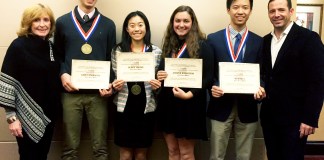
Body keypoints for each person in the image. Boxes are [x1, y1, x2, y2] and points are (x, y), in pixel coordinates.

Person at [261, 0, 324, 159]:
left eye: (281, 10)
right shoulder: (265, 41)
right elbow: (265, 75)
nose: (276, 14)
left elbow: (317, 81)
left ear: (291, 11)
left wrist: (310, 118)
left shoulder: (308, 38)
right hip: (269, 118)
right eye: (272, 11)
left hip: (295, 120)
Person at [54, 0, 116, 159]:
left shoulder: (108, 25)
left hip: (99, 95)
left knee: (101, 148)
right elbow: (57, 56)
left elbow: (111, 58)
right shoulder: (62, 22)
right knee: (69, 149)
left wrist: (110, 84)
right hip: (70, 94)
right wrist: (62, 74)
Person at [0, 3, 61, 160]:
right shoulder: (18, 46)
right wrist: (11, 118)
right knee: (28, 156)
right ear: (28, 23)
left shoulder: (50, 47)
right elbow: (7, 82)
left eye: (46, 20)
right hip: (24, 117)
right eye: (36, 20)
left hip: (48, 115)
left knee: (42, 156)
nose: (42, 24)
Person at [206, 0, 266, 159]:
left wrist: (261, 87)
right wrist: (213, 86)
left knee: (244, 156)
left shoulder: (259, 41)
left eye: (245, 7)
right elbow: (208, 73)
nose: (240, 11)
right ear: (228, 9)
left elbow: (263, 74)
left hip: (248, 106)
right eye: (236, 7)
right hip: (220, 105)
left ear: (250, 11)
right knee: (216, 156)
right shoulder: (213, 39)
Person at [156, 5, 213, 160]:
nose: (181, 24)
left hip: (190, 105)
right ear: (172, 23)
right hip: (168, 104)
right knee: (173, 151)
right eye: (177, 21)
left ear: (192, 23)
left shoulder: (203, 46)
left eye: (186, 21)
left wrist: (189, 94)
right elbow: (161, 73)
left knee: (186, 154)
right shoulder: (169, 45)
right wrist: (159, 75)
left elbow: (208, 77)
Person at [109, 11, 162, 160]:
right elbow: (113, 77)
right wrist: (115, 86)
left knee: (141, 155)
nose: (136, 29)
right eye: (132, 25)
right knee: (125, 154)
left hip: (146, 107)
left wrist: (158, 86)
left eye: (140, 25)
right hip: (124, 106)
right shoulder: (118, 50)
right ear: (127, 29)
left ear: (146, 28)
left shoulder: (156, 52)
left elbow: (160, 84)